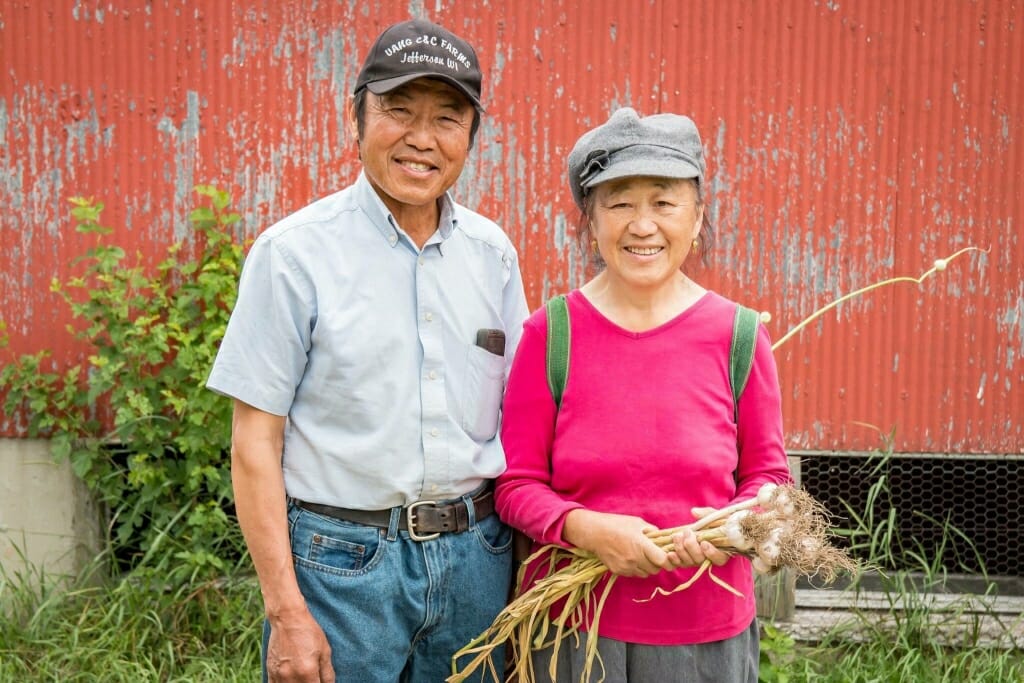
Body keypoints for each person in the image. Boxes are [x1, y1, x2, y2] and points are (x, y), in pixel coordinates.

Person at [207, 18, 530, 683]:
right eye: (399, 111)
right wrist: (287, 611)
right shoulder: (294, 255)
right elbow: (253, 444)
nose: (421, 138)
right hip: (341, 567)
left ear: (472, 137)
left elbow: (519, 419)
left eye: (447, 117)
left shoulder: (492, 255)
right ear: (355, 119)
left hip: (478, 558)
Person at [494, 107, 792, 682]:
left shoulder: (739, 336)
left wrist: (734, 524)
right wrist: (588, 529)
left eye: (663, 201)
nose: (642, 224)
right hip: (571, 631)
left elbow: (769, 477)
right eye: (620, 202)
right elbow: (515, 485)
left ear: (698, 216)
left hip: (705, 631)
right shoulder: (550, 334)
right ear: (591, 219)